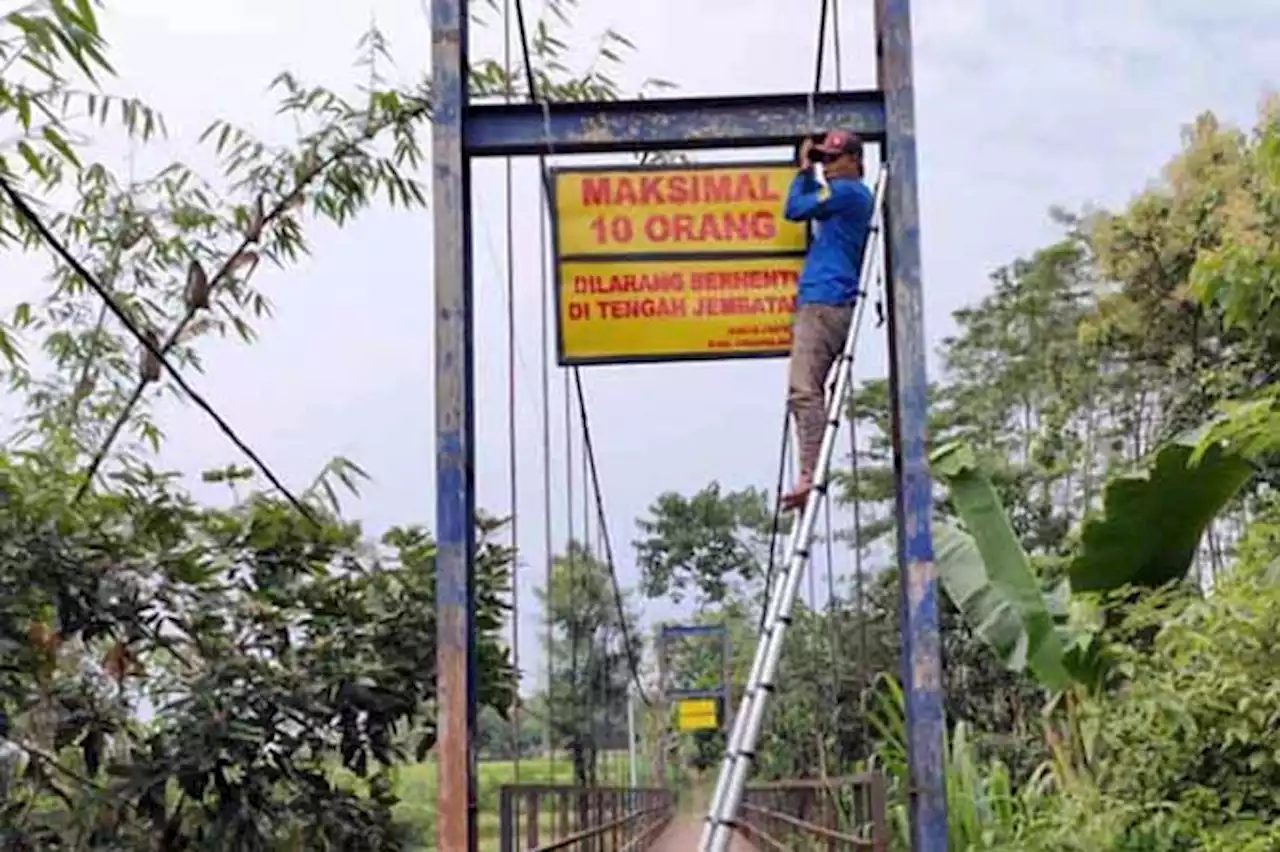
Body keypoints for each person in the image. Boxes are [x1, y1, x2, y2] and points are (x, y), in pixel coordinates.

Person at [780, 129, 874, 511]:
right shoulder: (845, 198)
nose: (829, 167)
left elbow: (794, 209)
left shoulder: (848, 193)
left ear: (855, 161)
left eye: (834, 159)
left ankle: (810, 471)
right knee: (810, 391)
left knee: (803, 390)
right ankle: (810, 467)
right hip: (830, 301)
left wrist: (804, 171)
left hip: (825, 301)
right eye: (824, 160)